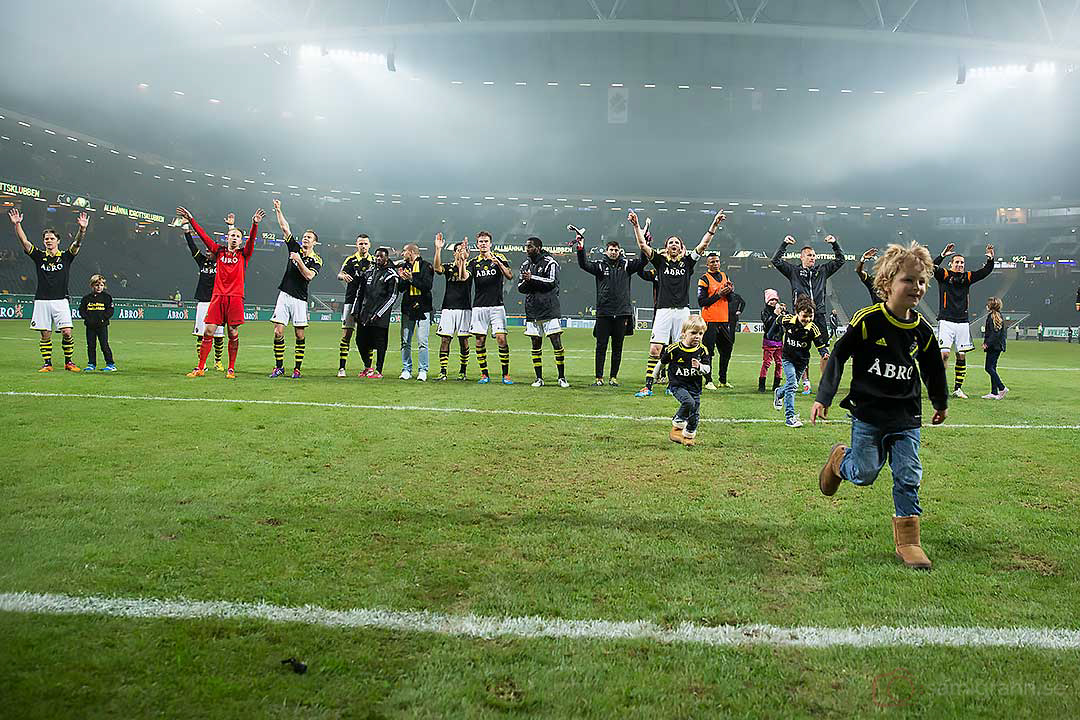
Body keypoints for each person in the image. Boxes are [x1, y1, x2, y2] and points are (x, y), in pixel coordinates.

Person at [811, 241, 948, 570]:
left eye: (921, 281)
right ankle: (839, 461)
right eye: (908, 280)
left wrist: (940, 402)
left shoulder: (922, 331)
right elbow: (839, 355)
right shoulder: (867, 321)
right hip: (869, 415)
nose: (917, 287)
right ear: (887, 283)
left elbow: (931, 369)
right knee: (865, 473)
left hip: (905, 416)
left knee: (908, 474)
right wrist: (823, 397)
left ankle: (910, 542)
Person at [631, 209, 725, 397]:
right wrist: (635, 225)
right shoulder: (660, 262)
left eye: (677, 242)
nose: (674, 244)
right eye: (670, 242)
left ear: (682, 248)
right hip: (664, 311)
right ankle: (648, 386)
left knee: (679, 348)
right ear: (666, 248)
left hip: (683, 312)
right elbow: (642, 245)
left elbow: (704, 244)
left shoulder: (688, 262)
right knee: (655, 349)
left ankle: (672, 385)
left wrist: (714, 224)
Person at [178, 206, 264, 379]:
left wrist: (255, 225)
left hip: (235, 298)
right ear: (228, 237)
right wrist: (192, 220)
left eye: (238, 236)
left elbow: (252, 240)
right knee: (208, 331)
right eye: (232, 235)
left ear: (241, 241)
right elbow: (203, 236)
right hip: (217, 297)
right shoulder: (219, 251)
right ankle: (200, 367)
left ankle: (231, 368)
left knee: (233, 333)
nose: (234, 238)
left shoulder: (244, 255)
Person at [9, 208, 89, 371]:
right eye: (46, 239)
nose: (48, 241)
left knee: (67, 332)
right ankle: (47, 364)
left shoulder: (66, 256)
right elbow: (24, 242)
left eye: (52, 238)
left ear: (58, 241)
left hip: (61, 300)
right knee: (45, 334)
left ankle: (69, 362)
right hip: (42, 300)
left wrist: (82, 229)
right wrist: (17, 225)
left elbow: (77, 243)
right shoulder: (39, 256)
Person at [771, 233, 845, 393]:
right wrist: (784, 244)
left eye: (814, 256)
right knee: (800, 352)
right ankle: (806, 383)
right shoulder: (793, 271)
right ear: (802, 257)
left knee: (824, 352)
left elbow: (841, 260)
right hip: (800, 318)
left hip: (818, 316)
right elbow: (775, 261)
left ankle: (824, 384)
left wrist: (835, 244)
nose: (813, 258)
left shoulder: (823, 271)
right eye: (810, 255)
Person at [576, 234, 647, 386]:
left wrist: (644, 243)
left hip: (622, 313)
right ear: (606, 252)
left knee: (617, 347)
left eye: (616, 250)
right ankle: (599, 378)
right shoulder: (600, 266)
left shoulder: (627, 265)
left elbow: (643, 262)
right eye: (611, 250)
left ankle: (613, 377)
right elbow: (583, 264)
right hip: (604, 313)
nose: (614, 252)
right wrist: (581, 247)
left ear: (620, 251)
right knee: (601, 346)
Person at [932, 242, 995, 399]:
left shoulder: (967, 278)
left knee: (961, 355)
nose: (960, 265)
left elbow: (985, 271)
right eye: (957, 262)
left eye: (962, 263)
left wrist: (990, 259)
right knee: (944, 355)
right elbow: (930, 267)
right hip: (946, 321)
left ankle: (957, 388)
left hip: (962, 322)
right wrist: (942, 255)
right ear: (951, 264)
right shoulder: (944, 275)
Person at [269, 199, 321, 379]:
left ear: (314, 242)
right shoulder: (295, 247)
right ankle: (279, 367)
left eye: (309, 237)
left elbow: (308, 276)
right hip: (284, 294)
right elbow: (285, 228)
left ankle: (297, 368)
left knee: (299, 335)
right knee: (278, 331)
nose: (305, 238)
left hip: (300, 299)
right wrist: (278, 210)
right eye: (304, 236)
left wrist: (298, 261)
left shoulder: (316, 260)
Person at [768, 295, 830, 428]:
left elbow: (820, 345)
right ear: (797, 313)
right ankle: (790, 417)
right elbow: (778, 320)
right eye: (804, 316)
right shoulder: (789, 320)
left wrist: (824, 353)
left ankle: (779, 393)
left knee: (791, 385)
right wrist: (771, 334)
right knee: (792, 384)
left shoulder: (813, 329)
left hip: (802, 362)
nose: (807, 319)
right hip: (788, 358)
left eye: (810, 316)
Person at [652, 315, 711, 446]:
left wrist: (700, 367)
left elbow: (707, 369)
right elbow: (661, 363)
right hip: (678, 385)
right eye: (693, 333)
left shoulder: (702, 350)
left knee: (695, 415)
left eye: (700, 333)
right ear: (684, 333)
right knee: (688, 402)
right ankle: (677, 423)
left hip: (695, 387)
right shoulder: (674, 349)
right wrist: (652, 378)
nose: (697, 336)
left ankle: (688, 436)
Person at [518, 236, 568, 387]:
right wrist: (528, 281)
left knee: (556, 342)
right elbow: (520, 287)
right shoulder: (525, 265)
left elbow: (552, 282)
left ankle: (561, 377)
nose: (527, 249)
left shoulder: (550, 262)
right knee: (535, 344)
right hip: (532, 310)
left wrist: (532, 278)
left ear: (538, 248)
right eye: (526, 246)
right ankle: (538, 378)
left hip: (549, 309)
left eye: (530, 246)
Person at [467, 231, 514, 384]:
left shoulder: (500, 258)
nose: (483, 244)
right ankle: (484, 374)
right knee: (480, 340)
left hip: (496, 306)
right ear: (477, 244)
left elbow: (509, 275)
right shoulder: (473, 262)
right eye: (480, 241)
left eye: (486, 241)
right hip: (479, 306)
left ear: (490, 243)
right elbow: (464, 278)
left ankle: (505, 374)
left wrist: (498, 263)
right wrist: (461, 261)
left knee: (501, 339)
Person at [184, 216, 229, 371]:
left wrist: (230, 227)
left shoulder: (222, 263)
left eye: (209, 250)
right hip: (203, 301)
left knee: (218, 335)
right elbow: (192, 248)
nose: (207, 252)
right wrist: (186, 231)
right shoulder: (202, 261)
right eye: (206, 250)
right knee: (200, 334)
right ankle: (201, 362)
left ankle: (218, 361)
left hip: (217, 301)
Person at [352, 246, 398, 378]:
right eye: (377, 256)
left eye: (381, 256)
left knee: (380, 344)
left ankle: (379, 370)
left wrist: (379, 314)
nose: (378, 258)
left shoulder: (391, 275)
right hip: (365, 314)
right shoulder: (369, 273)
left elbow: (392, 297)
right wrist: (356, 310)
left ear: (386, 258)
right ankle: (367, 367)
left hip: (380, 317)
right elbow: (360, 293)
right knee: (360, 341)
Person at [433, 233, 472, 381]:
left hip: (464, 308)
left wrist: (462, 261)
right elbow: (437, 268)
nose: (459, 252)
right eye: (457, 250)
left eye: (462, 250)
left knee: (464, 341)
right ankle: (443, 371)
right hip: (448, 308)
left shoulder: (471, 267)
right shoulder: (448, 267)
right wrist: (438, 249)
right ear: (454, 252)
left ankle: (463, 371)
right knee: (445, 340)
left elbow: (463, 277)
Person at [397, 243, 435, 381]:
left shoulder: (426, 266)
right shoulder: (404, 267)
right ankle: (406, 369)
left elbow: (427, 286)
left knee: (422, 341)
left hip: (423, 308)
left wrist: (411, 278)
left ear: (412, 252)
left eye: (404, 251)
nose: (402, 254)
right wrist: (402, 279)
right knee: (405, 341)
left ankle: (423, 370)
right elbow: (400, 289)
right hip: (407, 308)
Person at [337, 233, 372, 377]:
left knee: (366, 336)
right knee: (346, 334)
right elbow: (340, 274)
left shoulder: (374, 261)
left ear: (369, 245)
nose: (363, 246)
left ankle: (368, 367)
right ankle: (341, 368)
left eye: (365, 243)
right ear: (356, 245)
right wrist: (342, 276)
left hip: (367, 303)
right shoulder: (350, 260)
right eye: (360, 243)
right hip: (351, 301)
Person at [696, 253, 732, 391]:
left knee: (727, 350)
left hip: (723, 320)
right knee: (708, 352)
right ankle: (708, 380)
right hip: (709, 321)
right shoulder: (704, 279)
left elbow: (730, 300)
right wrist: (719, 295)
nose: (715, 263)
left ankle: (723, 380)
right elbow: (702, 301)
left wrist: (730, 292)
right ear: (707, 264)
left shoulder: (725, 276)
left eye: (717, 261)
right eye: (712, 262)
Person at [79, 274, 115, 371]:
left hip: (102, 326)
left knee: (104, 344)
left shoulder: (107, 297)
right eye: (97, 285)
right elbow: (82, 310)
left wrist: (103, 318)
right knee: (91, 345)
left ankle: (110, 364)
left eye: (101, 285)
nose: (99, 287)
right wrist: (87, 319)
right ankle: (91, 364)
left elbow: (110, 310)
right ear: (92, 286)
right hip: (90, 326)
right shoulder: (86, 298)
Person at [981, 297, 1008, 399]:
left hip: (994, 346)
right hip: (998, 346)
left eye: (988, 304)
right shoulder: (998, 316)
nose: (986, 306)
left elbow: (994, 333)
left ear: (991, 306)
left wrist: (987, 343)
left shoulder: (992, 317)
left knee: (988, 368)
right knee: (993, 368)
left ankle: (1002, 388)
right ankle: (994, 392)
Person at [759, 290, 784, 393]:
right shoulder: (764, 312)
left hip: (779, 342)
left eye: (775, 299)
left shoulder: (780, 311)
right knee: (766, 363)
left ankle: (776, 385)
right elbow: (768, 324)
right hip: (769, 342)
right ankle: (762, 385)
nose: (773, 302)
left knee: (779, 363)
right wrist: (775, 314)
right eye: (771, 299)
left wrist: (783, 313)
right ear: (767, 301)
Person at [723, 285, 745, 388]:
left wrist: (739, 311)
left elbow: (743, 303)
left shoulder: (737, 296)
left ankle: (730, 342)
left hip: (733, 317)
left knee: (731, 333)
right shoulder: (723, 296)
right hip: (723, 316)